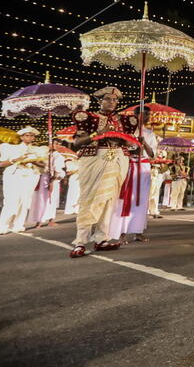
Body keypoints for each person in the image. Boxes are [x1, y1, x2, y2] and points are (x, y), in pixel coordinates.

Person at [68, 86, 137, 258]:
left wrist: (126, 141)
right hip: (95, 159)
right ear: (100, 101)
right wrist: (99, 134)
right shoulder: (88, 118)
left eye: (115, 100)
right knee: (89, 199)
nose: (112, 102)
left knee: (109, 200)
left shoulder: (124, 120)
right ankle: (80, 242)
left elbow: (130, 145)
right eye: (108, 99)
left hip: (118, 160)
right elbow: (77, 144)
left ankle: (101, 239)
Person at [109, 105, 158, 243]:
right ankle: (121, 232)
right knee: (126, 198)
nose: (146, 117)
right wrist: (133, 145)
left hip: (144, 167)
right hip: (128, 165)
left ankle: (138, 231)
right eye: (143, 114)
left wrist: (144, 144)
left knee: (142, 200)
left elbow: (152, 155)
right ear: (135, 115)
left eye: (148, 115)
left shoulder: (149, 133)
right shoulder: (126, 131)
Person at [0, 127, 47, 234]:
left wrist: (33, 161)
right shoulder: (11, 148)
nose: (30, 137)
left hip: (30, 176)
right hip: (14, 176)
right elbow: (1, 164)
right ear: (22, 137)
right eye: (27, 135)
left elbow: (43, 165)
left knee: (25, 201)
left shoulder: (37, 150)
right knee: (11, 201)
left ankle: (18, 224)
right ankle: (3, 225)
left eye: (32, 135)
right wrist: (17, 160)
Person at [28, 142, 66, 228]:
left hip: (52, 179)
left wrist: (52, 182)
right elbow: (43, 166)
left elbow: (57, 170)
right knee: (40, 199)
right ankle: (39, 220)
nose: (56, 145)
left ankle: (51, 220)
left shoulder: (58, 156)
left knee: (51, 200)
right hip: (42, 178)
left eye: (58, 144)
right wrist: (34, 162)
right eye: (54, 143)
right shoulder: (43, 154)